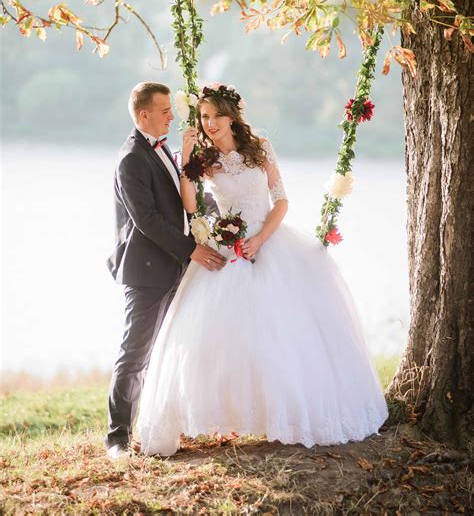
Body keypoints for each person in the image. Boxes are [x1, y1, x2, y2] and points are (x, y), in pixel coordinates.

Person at [137, 83, 389, 456]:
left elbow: (281, 200)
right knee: (220, 335)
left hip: (268, 241)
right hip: (227, 247)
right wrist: (188, 156)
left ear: (231, 116)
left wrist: (260, 240)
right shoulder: (204, 159)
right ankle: (231, 414)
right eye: (204, 117)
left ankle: (286, 415)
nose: (209, 124)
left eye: (215, 116)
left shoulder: (260, 148)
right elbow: (191, 206)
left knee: (282, 333)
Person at [105, 82, 226, 459]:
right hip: (146, 271)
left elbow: (180, 200)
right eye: (165, 111)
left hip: (173, 266)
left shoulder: (163, 152)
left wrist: (225, 213)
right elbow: (148, 221)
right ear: (144, 115)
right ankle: (117, 437)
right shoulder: (131, 159)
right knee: (135, 353)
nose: (172, 116)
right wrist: (194, 250)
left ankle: (167, 423)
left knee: (172, 347)